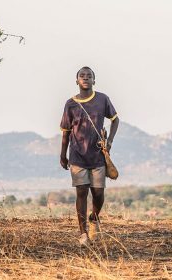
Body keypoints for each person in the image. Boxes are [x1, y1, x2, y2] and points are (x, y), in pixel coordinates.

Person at [59, 66, 120, 246]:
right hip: (77, 155)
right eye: (82, 76)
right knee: (81, 192)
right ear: (76, 81)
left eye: (89, 76)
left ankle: (94, 218)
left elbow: (115, 120)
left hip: (97, 155)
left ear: (94, 80)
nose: (85, 78)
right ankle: (83, 233)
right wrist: (63, 155)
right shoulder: (70, 104)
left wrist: (110, 142)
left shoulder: (102, 99)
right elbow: (65, 132)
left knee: (98, 193)